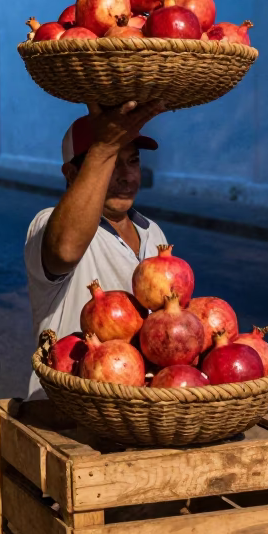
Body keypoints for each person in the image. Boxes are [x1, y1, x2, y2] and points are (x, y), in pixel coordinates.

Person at [23, 99, 166, 400]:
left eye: (133, 161)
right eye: (110, 164)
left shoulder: (153, 233)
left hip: (140, 411)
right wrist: (103, 147)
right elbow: (64, 250)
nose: (126, 176)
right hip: (68, 408)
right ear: (73, 175)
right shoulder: (47, 225)